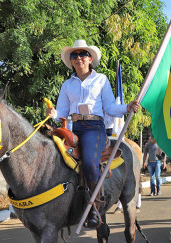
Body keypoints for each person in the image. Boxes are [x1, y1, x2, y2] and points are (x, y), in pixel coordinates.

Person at [46, 39, 140, 228]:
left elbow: (111, 107)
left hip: (93, 128)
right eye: (74, 55)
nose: (79, 58)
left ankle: (96, 207)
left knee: (89, 163)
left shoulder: (101, 79)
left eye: (82, 55)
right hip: (72, 128)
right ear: (71, 61)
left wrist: (127, 107)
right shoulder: (67, 85)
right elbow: (61, 113)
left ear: (90, 59)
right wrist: (53, 114)